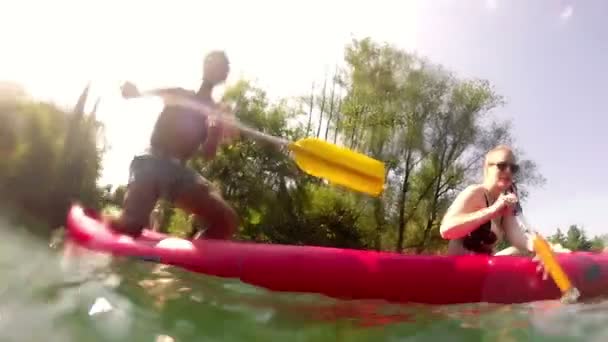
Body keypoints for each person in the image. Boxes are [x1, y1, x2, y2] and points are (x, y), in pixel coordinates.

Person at [108, 50, 239, 240]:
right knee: (131, 227)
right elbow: (138, 93)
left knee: (226, 221)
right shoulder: (179, 93)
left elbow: (208, 154)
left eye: (223, 67)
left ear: (224, 76)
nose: (218, 69)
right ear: (205, 66)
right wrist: (131, 91)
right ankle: (123, 220)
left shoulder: (215, 112)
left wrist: (213, 134)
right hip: (149, 164)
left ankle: (192, 258)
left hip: (179, 174)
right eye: (215, 63)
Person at [439, 145, 569, 258]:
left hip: (484, 270)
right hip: (459, 271)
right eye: (501, 166)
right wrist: (492, 211)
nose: (508, 171)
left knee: (526, 252)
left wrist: (544, 247)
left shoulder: (505, 203)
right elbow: (446, 230)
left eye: (513, 168)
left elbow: (518, 237)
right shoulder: (475, 193)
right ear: (486, 169)